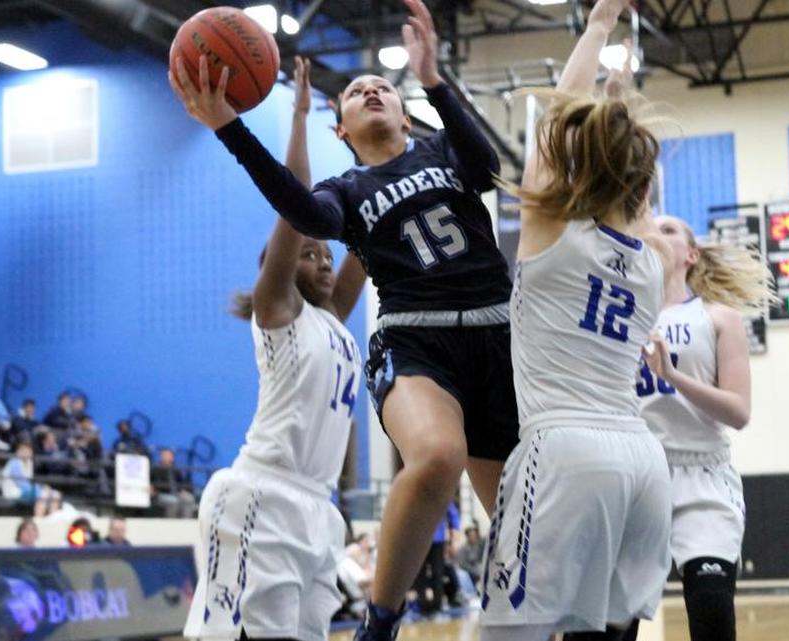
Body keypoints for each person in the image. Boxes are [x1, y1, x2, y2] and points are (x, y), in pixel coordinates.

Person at [169, 3, 520, 638]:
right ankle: (381, 619)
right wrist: (231, 128)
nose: (372, 90)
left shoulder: (443, 151)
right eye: (357, 91)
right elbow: (301, 208)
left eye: (383, 86)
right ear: (342, 128)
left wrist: (435, 80)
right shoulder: (346, 192)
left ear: (406, 113)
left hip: (496, 335)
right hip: (419, 339)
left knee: (525, 531)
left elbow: (488, 169)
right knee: (438, 456)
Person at [479, 2, 676, 637]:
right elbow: (628, 186)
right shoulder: (653, 261)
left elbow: (554, 125)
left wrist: (597, 27)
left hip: (565, 449)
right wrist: (619, 102)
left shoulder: (552, 233)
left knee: (509, 630)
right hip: (644, 463)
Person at [182, 57, 366, 641]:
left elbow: (372, 229)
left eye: (327, 253)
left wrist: (373, 152)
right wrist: (301, 118)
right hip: (261, 497)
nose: (325, 260)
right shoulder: (280, 311)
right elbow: (294, 201)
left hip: (319, 509)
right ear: (278, 268)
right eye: (309, 253)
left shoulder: (334, 320)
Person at [636, 214, 775, 641]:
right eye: (651, 227)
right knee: (607, 626)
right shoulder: (620, 315)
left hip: (702, 474)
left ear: (691, 256)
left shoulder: (718, 317)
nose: (656, 233)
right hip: (636, 473)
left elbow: (739, 412)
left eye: (669, 229)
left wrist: (673, 376)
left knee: (711, 613)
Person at [1, 441, 62, 517]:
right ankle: (39, 518)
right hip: (15, 491)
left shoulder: (29, 463)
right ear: (18, 452)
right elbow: (21, 484)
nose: (26, 452)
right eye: (23, 450)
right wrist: (41, 488)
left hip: (27, 490)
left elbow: (30, 482)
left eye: (28, 450)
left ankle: (52, 519)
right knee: (43, 494)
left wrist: (43, 488)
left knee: (56, 494)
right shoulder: (14, 463)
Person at [150, 448, 197, 519]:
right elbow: (150, 482)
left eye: (169, 455)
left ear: (172, 457)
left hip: (176, 493)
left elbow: (181, 483)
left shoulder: (176, 470)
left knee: (189, 498)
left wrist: (182, 491)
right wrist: (151, 489)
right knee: (173, 501)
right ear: (161, 456)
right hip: (160, 494)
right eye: (165, 455)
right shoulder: (155, 469)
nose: (167, 457)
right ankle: (171, 522)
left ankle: (186, 521)